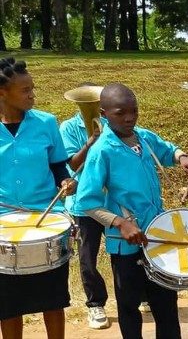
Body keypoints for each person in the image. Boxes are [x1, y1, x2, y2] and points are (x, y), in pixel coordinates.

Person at [76, 83, 188, 339]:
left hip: (158, 236)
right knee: (129, 307)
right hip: (127, 245)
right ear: (104, 114)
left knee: (166, 305)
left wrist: (182, 158)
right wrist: (120, 223)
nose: (129, 118)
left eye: (134, 111)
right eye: (120, 113)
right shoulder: (102, 151)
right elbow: (86, 202)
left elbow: (166, 148)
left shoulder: (143, 137)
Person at [0, 58, 76, 339]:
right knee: (7, 304)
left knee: (52, 298)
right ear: (2, 93)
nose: (32, 94)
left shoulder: (46, 122)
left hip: (46, 220)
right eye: (24, 90)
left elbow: (58, 165)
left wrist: (65, 181)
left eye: (32, 88)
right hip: (4, 225)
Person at [58, 83, 111, 330]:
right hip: (82, 205)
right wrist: (92, 141)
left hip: (112, 201)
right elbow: (72, 162)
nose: (96, 108)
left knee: (129, 251)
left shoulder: (112, 123)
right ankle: (95, 304)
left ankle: (139, 295)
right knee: (88, 258)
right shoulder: (67, 128)